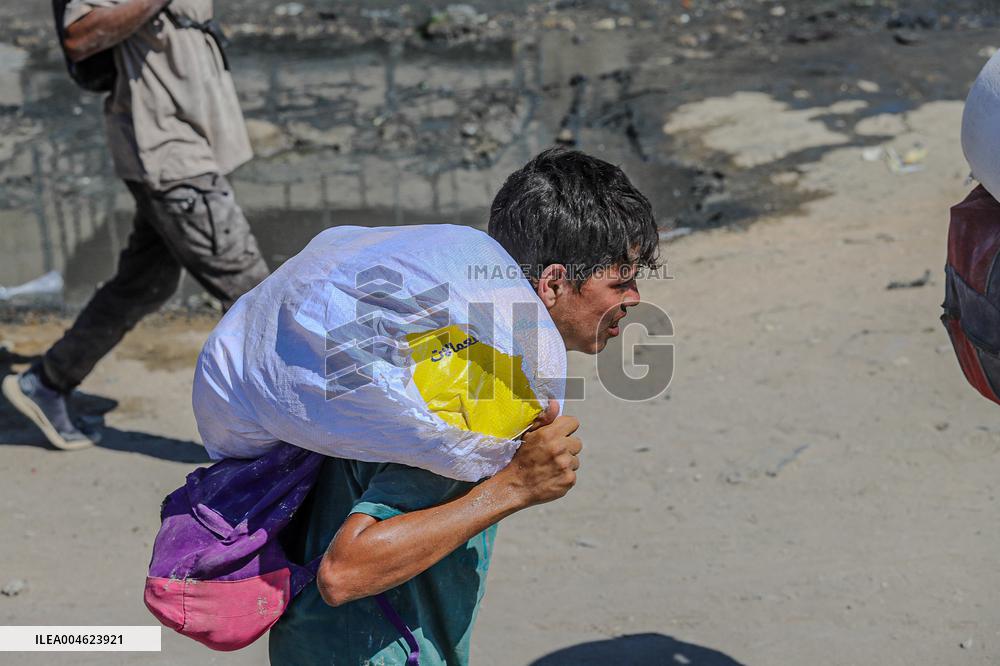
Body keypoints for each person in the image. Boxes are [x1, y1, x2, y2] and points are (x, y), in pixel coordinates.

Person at [268, 148, 659, 665]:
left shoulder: (436, 333)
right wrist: (516, 487)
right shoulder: (479, 391)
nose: (633, 297)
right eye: (620, 280)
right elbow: (346, 571)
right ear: (554, 283)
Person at [2, 0, 268, 450]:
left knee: (145, 283)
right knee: (255, 297)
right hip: (169, 155)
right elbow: (80, 36)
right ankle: (285, 449)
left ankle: (49, 381)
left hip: (192, 147)